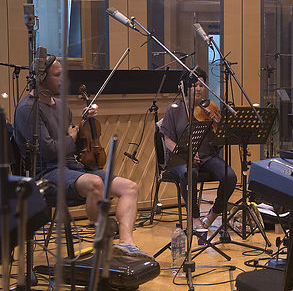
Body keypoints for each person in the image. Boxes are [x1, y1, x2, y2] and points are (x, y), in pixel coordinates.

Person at [14, 55, 151, 258]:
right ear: (41, 78)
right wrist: (71, 136)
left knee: (130, 187)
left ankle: (126, 244)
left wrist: (85, 126)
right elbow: (49, 150)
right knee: (95, 183)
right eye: (58, 75)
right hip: (46, 172)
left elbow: (74, 146)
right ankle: (103, 236)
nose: (63, 80)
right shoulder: (28, 109)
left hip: (72, 168)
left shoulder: (62, 107)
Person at [159, 68, 237, 233]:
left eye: (202, 85)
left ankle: (213, 215)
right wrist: (184, 153)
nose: (199, 89)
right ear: (186, 88)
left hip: (207, 157)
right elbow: (168, 141)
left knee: (230, 176)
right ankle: (194, 217)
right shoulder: (174, 109)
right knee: (190, 173)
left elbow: (219, 141)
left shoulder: (209, 107)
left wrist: (217, 125)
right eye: (195, 85)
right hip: (181, 159)